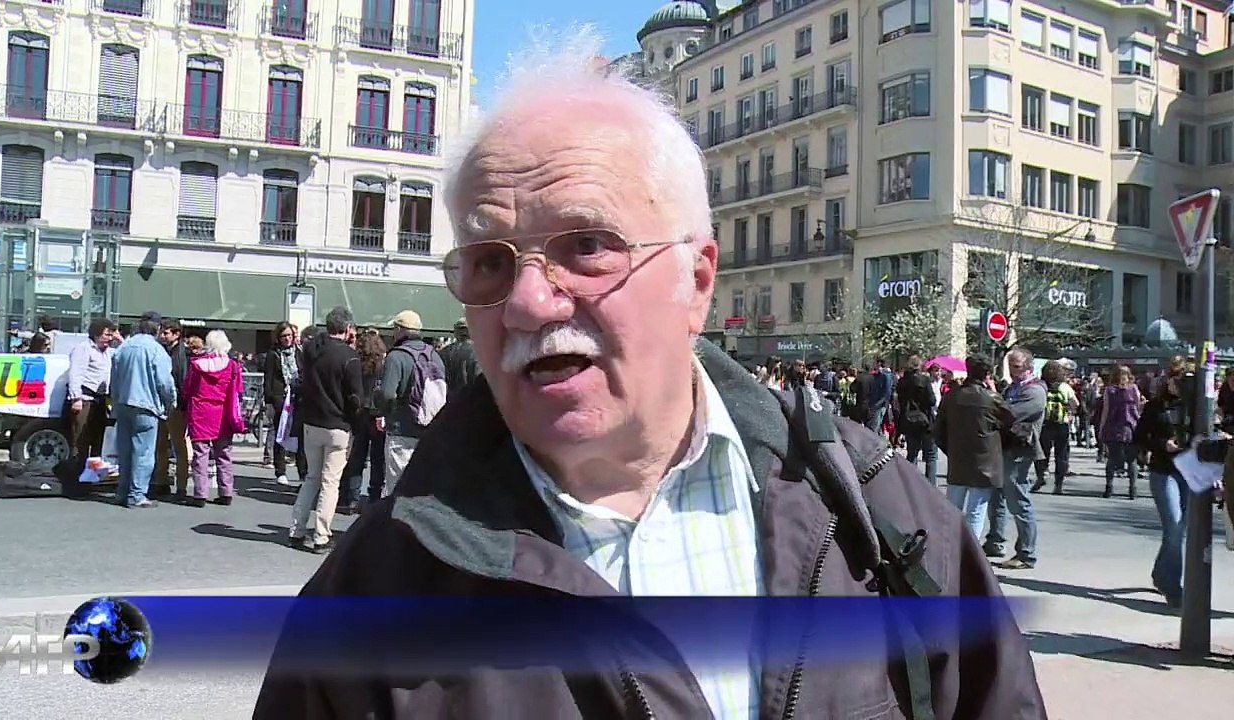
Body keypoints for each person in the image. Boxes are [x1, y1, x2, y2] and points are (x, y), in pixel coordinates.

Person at [254, 34, 1042, 719]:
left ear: (698, 280)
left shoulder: (882, 514)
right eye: (490, 262)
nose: (527, 300)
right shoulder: (373, 590)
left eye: (587, 245)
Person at [288, 306, 363, 553]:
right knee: (330, 482)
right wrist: (356, 422)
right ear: (349, 328)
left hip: (312, 422)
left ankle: (296, 529)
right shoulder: (349, 357)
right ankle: (321, 535)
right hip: (338, 424)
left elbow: (313, 342)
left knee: (311, 478)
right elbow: (355, 398)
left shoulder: (312, 351)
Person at [1134, 355, 1193, 608]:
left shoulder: (1198, 406)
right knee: (1174, 526)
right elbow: (1139, 436)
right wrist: (1161, 444)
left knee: (1179, 531)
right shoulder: (1155, 406)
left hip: (1189, 471)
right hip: (1163, 469)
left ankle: (1161, 574)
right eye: (1175, 379)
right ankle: (1172, 586)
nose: (1177, 385)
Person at [936, 354, 1012, 540]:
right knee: (976, 512)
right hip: (985, 461)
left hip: (959, 459)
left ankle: (949, 547)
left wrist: (951, 449)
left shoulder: (951, 396)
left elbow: (938, 430)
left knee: (952, 510)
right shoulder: (992, 399)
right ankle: (970, 552)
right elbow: (1010, 422)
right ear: (987, 373)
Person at [983, 348, 1045, 570]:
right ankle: (995, 540)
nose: (1011, 369)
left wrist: (993, 396)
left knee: (1018, 500)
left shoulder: (1035, 391)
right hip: (1004, 447)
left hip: (1020, 451)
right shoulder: (1012, 388)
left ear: (1028, 366)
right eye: (1010, 365)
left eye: (1016, 366)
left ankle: (1026, 553)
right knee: (996, 496)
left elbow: (1008, 414)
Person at [375, 309, 446, 494]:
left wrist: (382, 409)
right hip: (429, 432)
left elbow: (387, 394)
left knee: (396, 489)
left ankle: (394, 523)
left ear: (400, 329)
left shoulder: (396, 356)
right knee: (420, 490)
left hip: (401, 431)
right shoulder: (434, 356)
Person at [109, 317, 177, 508]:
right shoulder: (156, 350)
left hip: (123, 402)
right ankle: (137, 494)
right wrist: (170, 403)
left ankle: (122, 491)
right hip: (146, 404)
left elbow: (113, 378)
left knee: (125, 451)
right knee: (144, 452)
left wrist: (115, 400)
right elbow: (164, 382)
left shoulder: (123, 347)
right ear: (157, 330)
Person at [179, 330, 244, 507]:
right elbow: (238, 389)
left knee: (200, 454)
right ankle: (226, 492)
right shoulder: (232, 366)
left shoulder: (196, 364)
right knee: (224, 454)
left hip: (200, 411)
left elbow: (188, 389)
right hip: (223, 412)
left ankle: (200, 494)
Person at [340, 330, 386, 513]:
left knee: (357, 456)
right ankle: (374, 497)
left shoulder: (356, 362)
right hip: (376, 412)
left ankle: (352, 497)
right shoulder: (383, 363)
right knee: (377, 457)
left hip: (360, 412)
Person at [262, 321, 307, 486]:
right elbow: (268, 379)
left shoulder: (300, 352)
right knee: (280, 433)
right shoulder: (273, 354)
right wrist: (269, 401)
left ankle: (303, 471)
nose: (287, 339)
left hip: (298, 397)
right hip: (280, 397)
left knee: (301, 436)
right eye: (284, 336)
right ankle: (280, 470)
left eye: (289, 335)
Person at [67, 318, 119, 461]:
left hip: (100, 400)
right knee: (81, 438)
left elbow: (125, 352)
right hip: (85, 398)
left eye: (111, 335)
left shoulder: (108, 352)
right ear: (96, 334)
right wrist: (76, 398)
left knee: (98, 438)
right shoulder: (84, 348)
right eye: (106, 335)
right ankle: (77, 472)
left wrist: (119, 339)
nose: (110, 339)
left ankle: (93, 474)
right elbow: (75, 373)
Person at [152, 319, 192, 500]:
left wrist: (181, 405)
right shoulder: (163, 349)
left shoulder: (181, 353)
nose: (162, 335)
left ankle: (181, 486)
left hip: (175, 404)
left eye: (166, 332)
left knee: (178, 445)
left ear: (176, 334)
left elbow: (182, 380)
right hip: (162, 403)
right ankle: (162, 480)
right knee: (160, 444)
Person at [1033, 361, 1078, 495]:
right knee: (1061, 455)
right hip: (1061, 424)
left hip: (1045, 424)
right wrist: (1070, 414)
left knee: (1042, 453)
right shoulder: (1065, 387)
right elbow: (1075, 403)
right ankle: (1058, 485)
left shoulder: (1041, 386)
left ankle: (1041, 475)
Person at [1099, 364, 1142, 499]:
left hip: (1114, 427)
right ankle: (1132, 489)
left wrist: (1102, 428)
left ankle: (1109, 487)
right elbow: (1139, 406)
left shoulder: (1109, 390)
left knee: (1111, 458)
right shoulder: (1133, 388)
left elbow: (1105, 410)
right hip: (1131, 426)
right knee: (1131, 460)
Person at [895, 354, 937, 484]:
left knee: (912, 454)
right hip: (925, 421)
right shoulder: (925, 381)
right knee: (930, 456)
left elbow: (899, 403)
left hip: (908, 421)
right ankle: (930, 486)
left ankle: (912, 484)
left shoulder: (902, 382)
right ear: (920, 366)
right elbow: (932, 401)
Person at [438, 318, 481, 402]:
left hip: (448, 404)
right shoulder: (480, 353)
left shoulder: (443, 353)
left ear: (456, 332)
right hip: (471, 404)